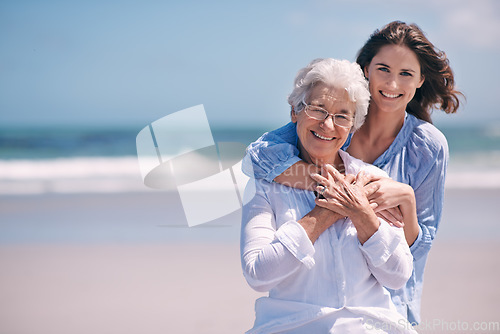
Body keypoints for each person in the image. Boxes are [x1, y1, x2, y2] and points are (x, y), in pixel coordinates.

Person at [242, 21, 463, 325]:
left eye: (406, 74)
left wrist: (406, 200)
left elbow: (416, 251)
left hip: (388, 303)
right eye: (383, 69)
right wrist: (337, 192)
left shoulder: (426, 146)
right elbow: (260, 157)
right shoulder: (330, 116)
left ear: (420, 80)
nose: (393, 84)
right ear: (366, 69)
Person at [241, 58, 417, 333]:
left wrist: (361, 214)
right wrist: (324, 212)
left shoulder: (371, 180)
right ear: (295, 112)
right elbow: (258, 275)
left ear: (352, 126)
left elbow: (398, 276)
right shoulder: (265, 184)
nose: (328, 124)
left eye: (342, 116)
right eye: (318, 109)